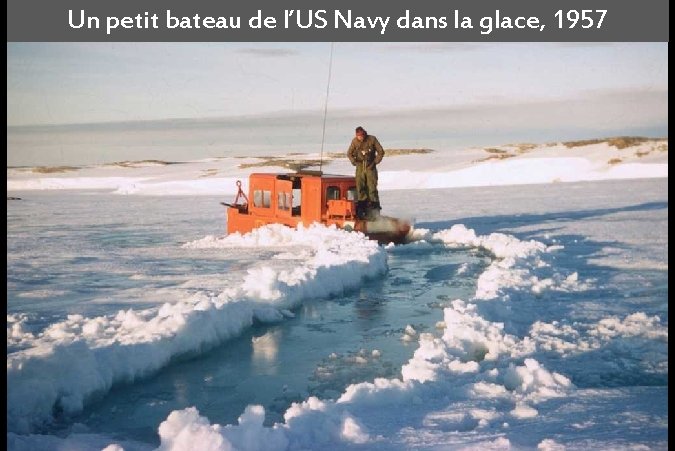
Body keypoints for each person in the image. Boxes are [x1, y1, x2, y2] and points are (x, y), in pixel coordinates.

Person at [347, 126, 385, 218]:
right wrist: (354, 162)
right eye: (358, 136)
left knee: (372, 189)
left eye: (361, 135)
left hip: (370, 167)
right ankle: (361, 211)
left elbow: (381, 152)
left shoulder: (372, 139)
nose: (359, 137)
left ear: (364, 134)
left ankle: (375, 212)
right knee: (360, 188)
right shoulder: (354, 141)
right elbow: (349, 153)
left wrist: (375, 162)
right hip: (360, 167)